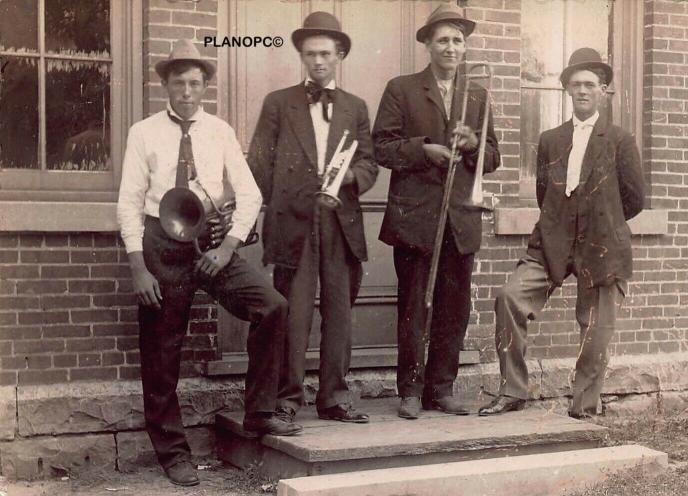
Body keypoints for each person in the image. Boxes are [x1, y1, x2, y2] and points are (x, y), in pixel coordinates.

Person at [117, 40, 300, 487]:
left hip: (211, 244)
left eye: (194, 83)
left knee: (272, 306)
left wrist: (228, 247)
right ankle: (173, 453)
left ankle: (259, 413)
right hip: (161, 245)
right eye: (178, 82)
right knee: (162, 352)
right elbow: (128, 203)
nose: (186, 90)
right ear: (165, 85)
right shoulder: (144, 132)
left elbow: (251, 192)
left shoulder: (219, 130)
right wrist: (139, 266)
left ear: (204, 87)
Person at [478, 47, 645, 418]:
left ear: (603, 90)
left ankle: (584, 406)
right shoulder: (551, 139)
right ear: (567, 90)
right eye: (575, 85)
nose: (583, 91)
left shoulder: (620, 140)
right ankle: (513, 391)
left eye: (590, 84)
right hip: (552, 242)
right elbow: (544, 194)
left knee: (595, 328)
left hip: (601, 245)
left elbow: (634, 200)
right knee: (509, 297)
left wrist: (599, 219)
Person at [248, 12, 378, 426]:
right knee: (294, 311)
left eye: (325, 53)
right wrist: (276, 210)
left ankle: (334, 398)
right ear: (301, 56)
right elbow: (259, 164)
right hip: (294, 223)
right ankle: (287, 399)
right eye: (310, 54)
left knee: (339, 312)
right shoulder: (278, 102)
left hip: (340, 221)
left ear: (339, 55)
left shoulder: (356, 107)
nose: (318, 61)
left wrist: (349, 178)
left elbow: (369, 163)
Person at [372, 3, 500, 420]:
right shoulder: (401, 88)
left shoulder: (477, 94)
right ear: (427, 44)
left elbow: (493, 157)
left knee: (453, 307)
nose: (450, 47)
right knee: (414, 305)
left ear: (465, 47)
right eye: (442, 39)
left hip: (460, 218)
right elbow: (382, 147)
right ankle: (409, 390)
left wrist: (473, 145)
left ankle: (439, 390)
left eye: (458, 40)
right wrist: (424, 149)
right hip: (416, 218)